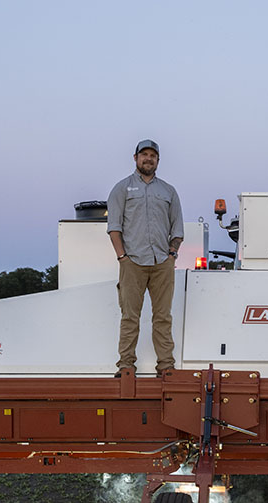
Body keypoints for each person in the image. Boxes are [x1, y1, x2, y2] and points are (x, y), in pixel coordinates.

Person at [107, 139, 184, 376]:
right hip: (132, 263)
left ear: (158, 160)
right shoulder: (122, 188)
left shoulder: (168, 191)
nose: (148, 158)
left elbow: (178, 228)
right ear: (135, 158)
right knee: (130, 316)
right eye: (144, 155)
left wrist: (172, 254)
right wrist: (122, 257)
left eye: (153, 155)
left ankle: (166, 366)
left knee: (163, 317)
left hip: (162, 263)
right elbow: (114, 227)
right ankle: (126, 365)